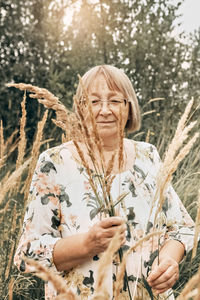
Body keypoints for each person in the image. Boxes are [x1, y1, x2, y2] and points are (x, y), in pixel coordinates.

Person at [14, 65, 195, 299]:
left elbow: (180, 227)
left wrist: (169, 261)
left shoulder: (148, 156)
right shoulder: (55, 162)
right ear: (80, 109)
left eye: (115, 101)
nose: (105, 110)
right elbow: (27, 254)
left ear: (129, 107)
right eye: (94, 102)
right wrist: (87, 244)